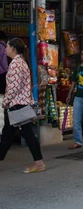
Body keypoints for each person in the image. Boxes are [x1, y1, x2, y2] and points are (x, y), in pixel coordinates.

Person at [0, 38, 45, 173]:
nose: (5, 49)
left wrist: (5, 101)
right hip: (19, 104)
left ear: (13, 48)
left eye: (7, 46)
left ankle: (39, 163)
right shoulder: (21, 62)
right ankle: (38, 162)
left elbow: (13, 88)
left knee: (26, 134)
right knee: (7, 135)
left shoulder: (15, 64)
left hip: (17, 105)